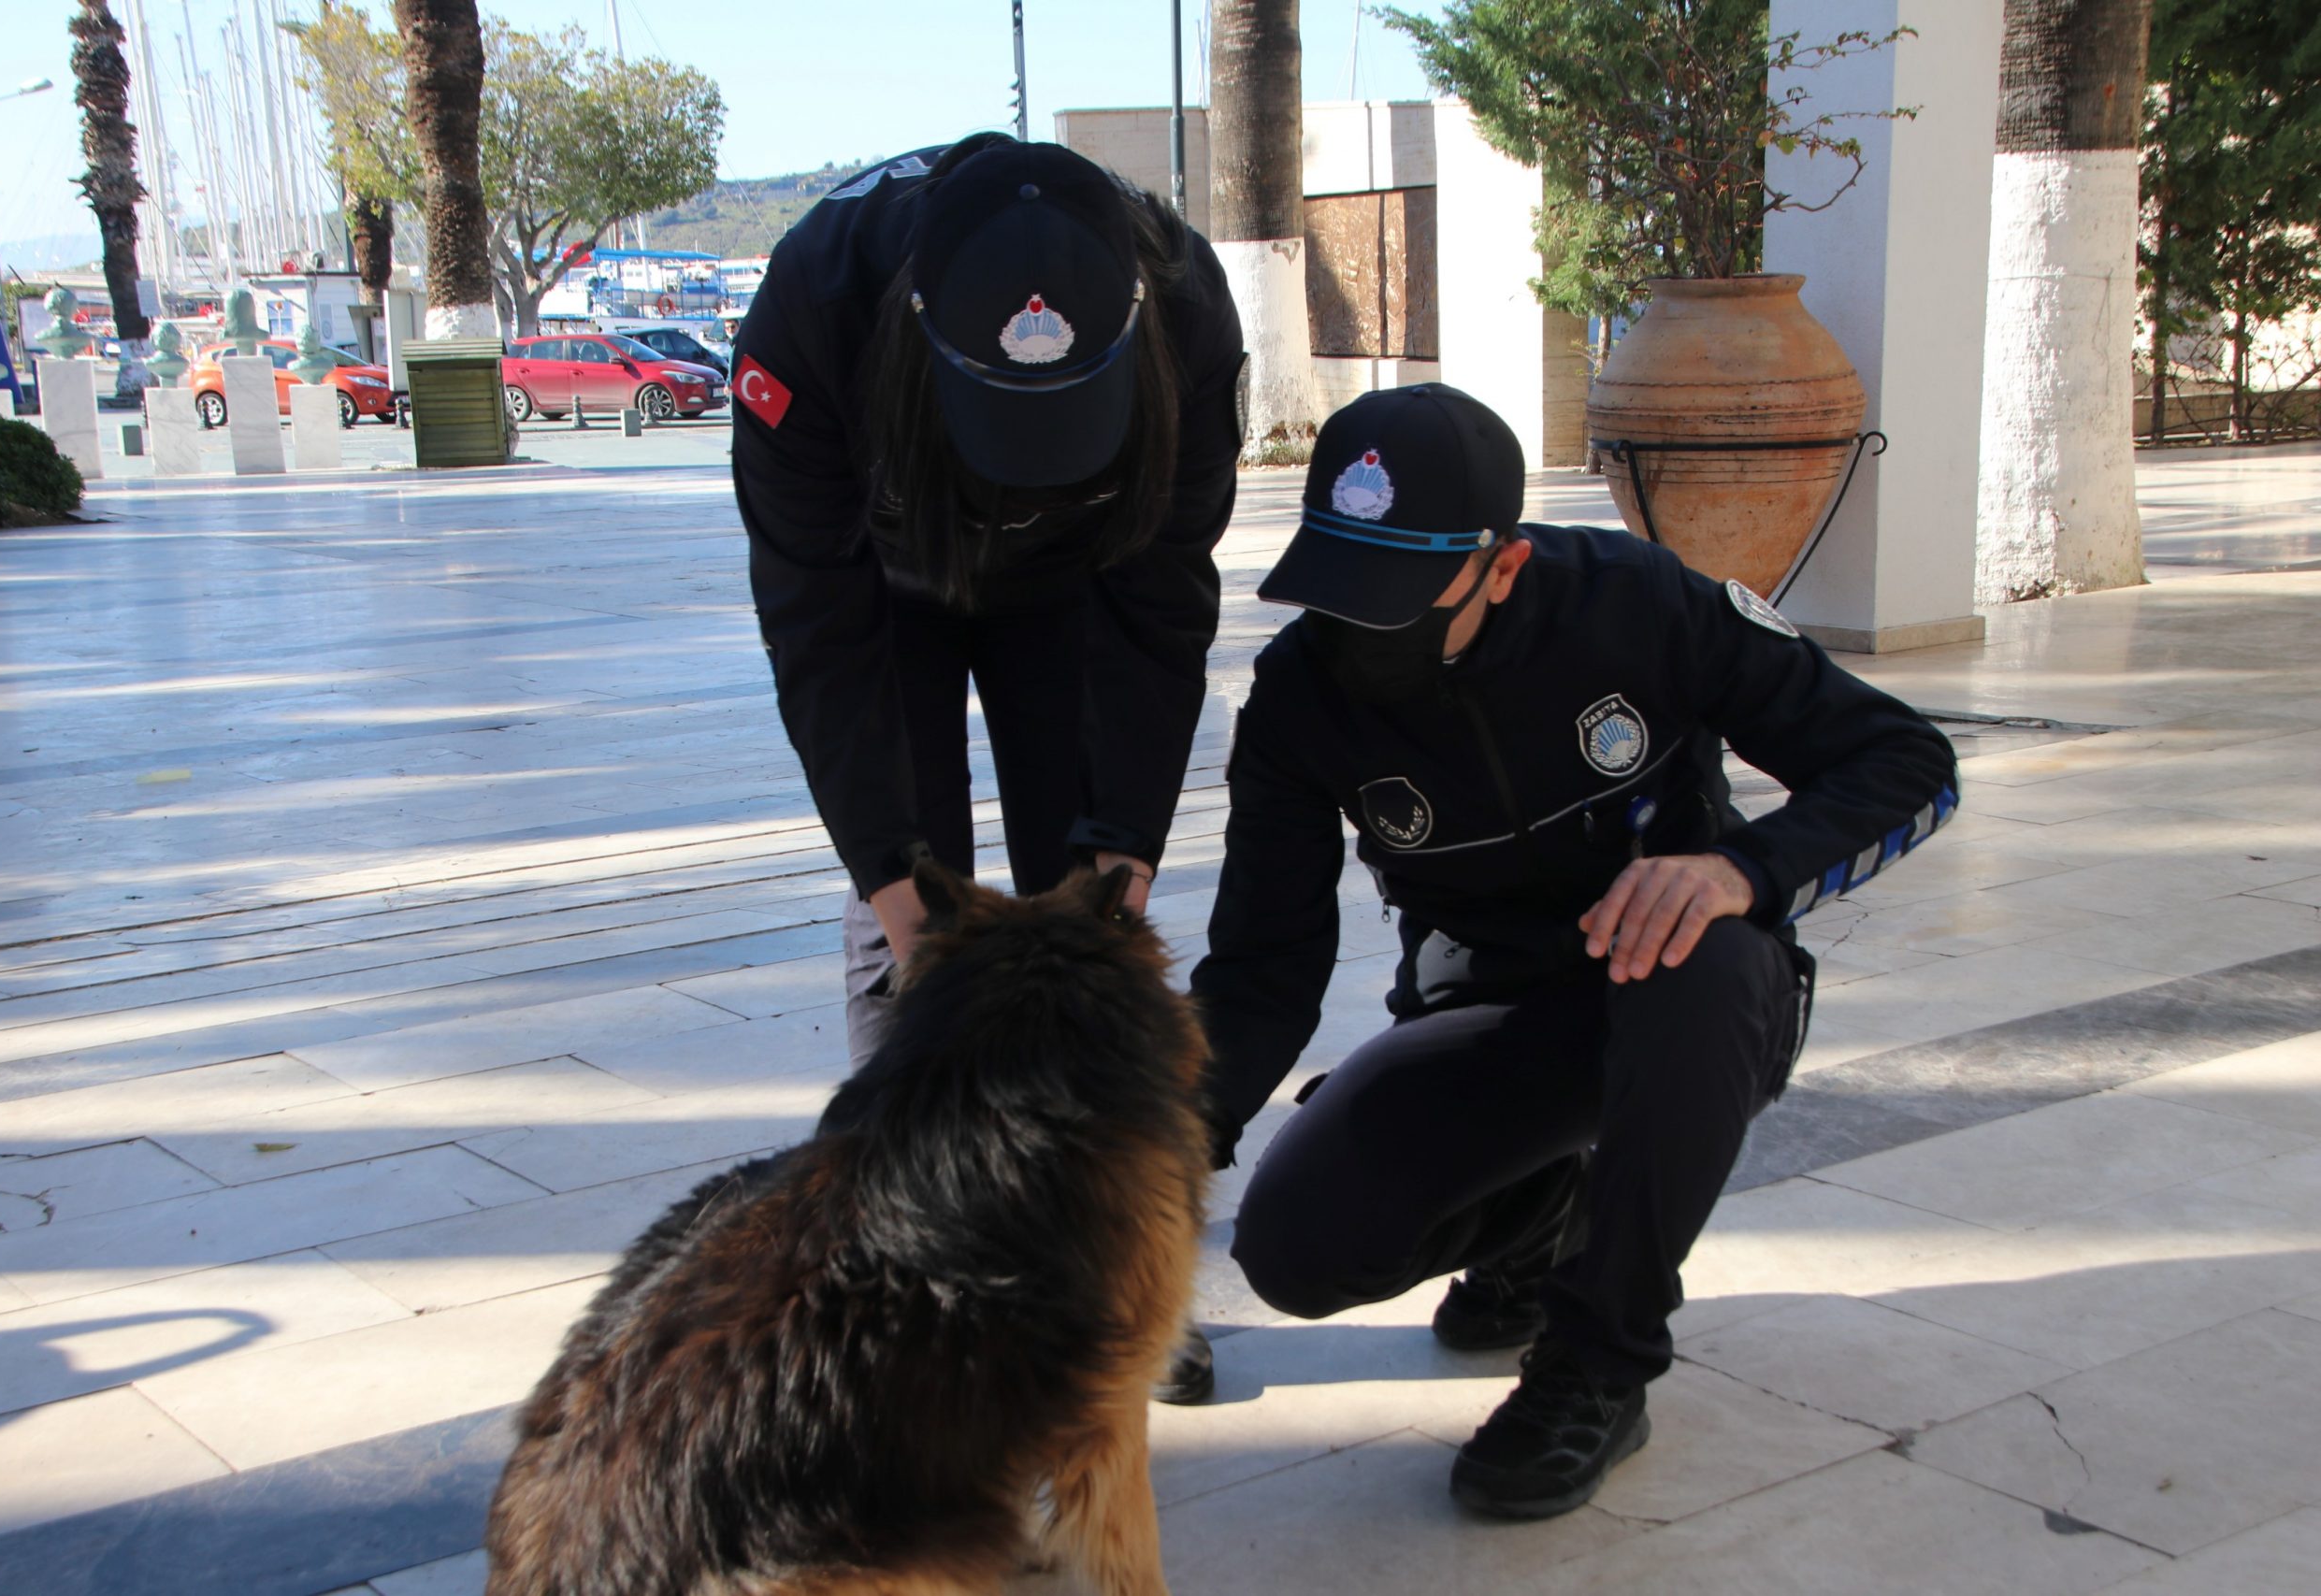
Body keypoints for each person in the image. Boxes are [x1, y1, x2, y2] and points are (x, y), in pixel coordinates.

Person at [1189, 383, 1960, 1517]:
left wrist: (1737, 872)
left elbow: (1905, 762)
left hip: (1694, 1000)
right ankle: (1538, 1221)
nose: (1361, 632)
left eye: (1398, 598)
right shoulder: (1300, 697)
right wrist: (1162, 1144)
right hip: (1490, 1017)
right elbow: (1265, 957)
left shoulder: (1636, 605)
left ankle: (1596, 1367)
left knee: (1695, 965)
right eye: (1341, 588)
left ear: (1502, 565)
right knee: (1297, 1249)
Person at [728, 136, 1247, 1404]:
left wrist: (1118, 853)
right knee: (906, 920)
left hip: (1081, 575)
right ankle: (908, 1262)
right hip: (883, 574)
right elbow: (817, 623)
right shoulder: (815, 302)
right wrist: (902, 889)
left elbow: (1162, 605)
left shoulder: (1185, 307)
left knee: (1090, 916)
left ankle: (1119, 1265)